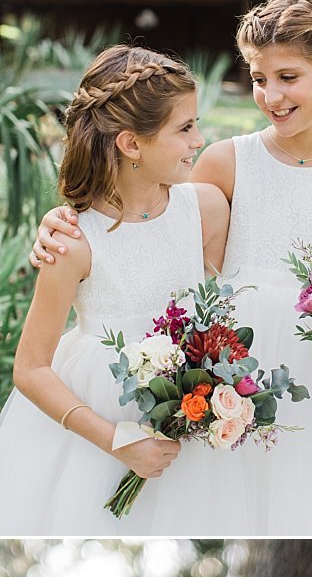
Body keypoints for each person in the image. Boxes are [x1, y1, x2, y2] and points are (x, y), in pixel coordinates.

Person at [31, 0, 312, 538]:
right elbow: (155, 231)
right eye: (257, 77)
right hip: (233, 368)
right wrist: (64, 222)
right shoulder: (226, 162)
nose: (269, 94)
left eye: (287, 77)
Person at [0, 45, 231, 537]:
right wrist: (117, 440)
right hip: (102, 414)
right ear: (131, 144)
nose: (200, 139)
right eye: (185, 128)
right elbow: (30, 367)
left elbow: (232, 303)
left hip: (190, 406)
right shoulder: (74, 242)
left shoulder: (206, 209)